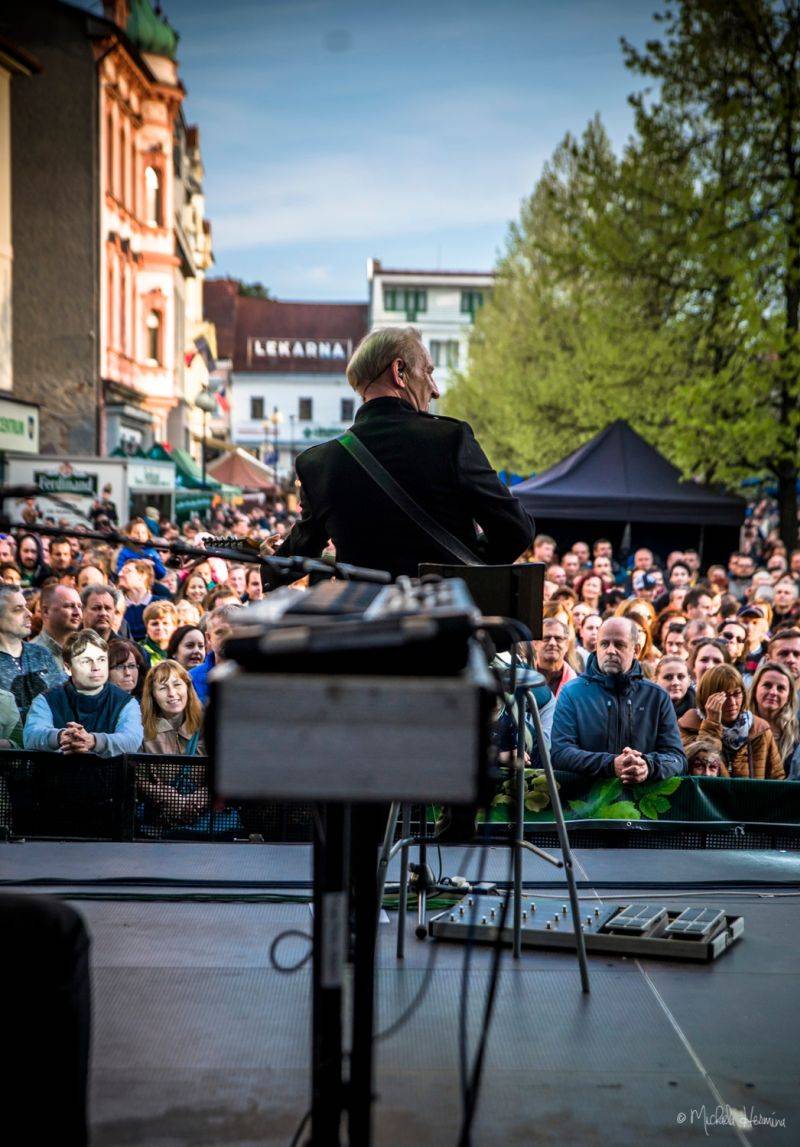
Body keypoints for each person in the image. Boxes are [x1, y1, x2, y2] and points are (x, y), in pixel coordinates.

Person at [279, 326, 533, 578]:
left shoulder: (318, 464)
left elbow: (293, 559)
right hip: (442, 613)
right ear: (399, 371)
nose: (435, 390)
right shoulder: (449, 440)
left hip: (364, 615)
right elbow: (515, 530)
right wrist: (460, 572)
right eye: (428, 372)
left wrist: (274, 557)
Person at [550, 617, 686, 781]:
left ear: (636, 649)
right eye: (604, 644)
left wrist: (647, 766)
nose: (611, 651)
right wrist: (610, 764)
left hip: (641, 802)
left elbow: (676, 758)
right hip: (586, 802)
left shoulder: (657, 696)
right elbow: (560, 753)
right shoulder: (572, 692)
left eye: (619, 645)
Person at [23, 629, 143, 757]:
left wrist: (94, 741)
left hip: (109, 774)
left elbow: (132, 740)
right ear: (68, 668)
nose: (96, 667)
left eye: (101, 660)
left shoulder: (126, 702)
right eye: (86, 661)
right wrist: (61, 737)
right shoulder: (46, 700)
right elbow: (31, 735)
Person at [677, 663, 784, 779]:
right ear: (707, 697)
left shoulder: (759, 730)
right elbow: (704, 773)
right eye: (724, 696)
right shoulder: (688, 726)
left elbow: (777, 778)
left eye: (736, 694)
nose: (732, 703)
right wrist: (711, 724)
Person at [0, 586, 64, 719]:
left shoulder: (41, 654)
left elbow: (61, 701)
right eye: (18, 609)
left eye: (26, 606)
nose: (29, 613)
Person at [140, 660, 204, 755]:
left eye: (177, 685)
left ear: (187, 687)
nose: (172, 693)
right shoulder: (141, 731)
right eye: (163, 688)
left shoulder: (207, 723)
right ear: (152, 695)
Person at [748, 661, 799, 777]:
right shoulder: (739, 727)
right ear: (755, 688)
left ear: (789, 696)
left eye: (781, 688)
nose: (773, 692)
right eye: (767, 685)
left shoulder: (797, 733)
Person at [30, 584, 83, 673]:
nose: (77, 612)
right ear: (46, 611)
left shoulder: (85, 649)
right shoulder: (30, 654)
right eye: (69, 606)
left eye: (80, 606)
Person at [190, 605, 236, 704]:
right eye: (220, 632)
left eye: (235, 631)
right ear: (208, 638)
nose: (228, 638)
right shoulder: (191, 679)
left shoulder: (258, 676)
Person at [533, 617, 578, 698]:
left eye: (558, 639)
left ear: (567, 645)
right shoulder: (522, 679)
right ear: (535, 643)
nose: (552, 643)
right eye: (546, 638)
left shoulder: (577, 685)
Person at [119, 559, 155, 643]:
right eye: (121, 571)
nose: (120, 574)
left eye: (127, 571)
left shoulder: (159, 603)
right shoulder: (116, 605)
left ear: (142, 575)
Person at [139, 601, 179, 665]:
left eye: (165, 623)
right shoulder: (138, 651)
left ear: (175, 627)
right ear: (147, 627)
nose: (160, 628)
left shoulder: (181, 651)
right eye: (155, 624)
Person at [739, 603, 771, 677]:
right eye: (745, 622)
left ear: (764, 628)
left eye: (755, 623)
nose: (749, 627)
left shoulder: (770, 654)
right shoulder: (731, 652)